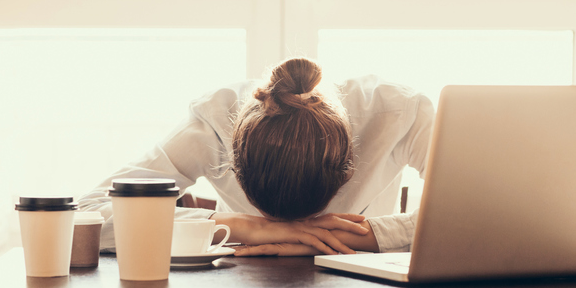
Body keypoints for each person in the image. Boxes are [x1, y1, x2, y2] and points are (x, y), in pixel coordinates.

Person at [77, 57, 433, 255]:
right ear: (233, 159)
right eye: (275, 219)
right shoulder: (215, 120)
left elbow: (480, 217)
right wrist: (244, 227)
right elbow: (83, 217)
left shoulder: (399, 111)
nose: (294, 229)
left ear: (348, 166)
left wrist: (362, 236)